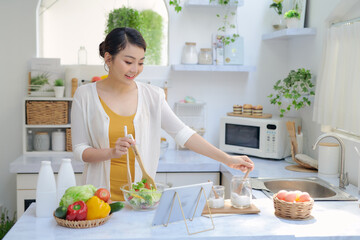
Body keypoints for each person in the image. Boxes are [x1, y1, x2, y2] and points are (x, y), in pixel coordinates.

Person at [71, 27, 254, 201]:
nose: (135, 69)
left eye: (141, 62)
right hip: (98, 201)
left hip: (141, 200)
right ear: (108, 58)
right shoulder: (85, 95)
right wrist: (111, 152)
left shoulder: (153, 96)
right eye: (128, 62)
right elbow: (80, 150)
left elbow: (183, 134)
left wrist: (227, 159)